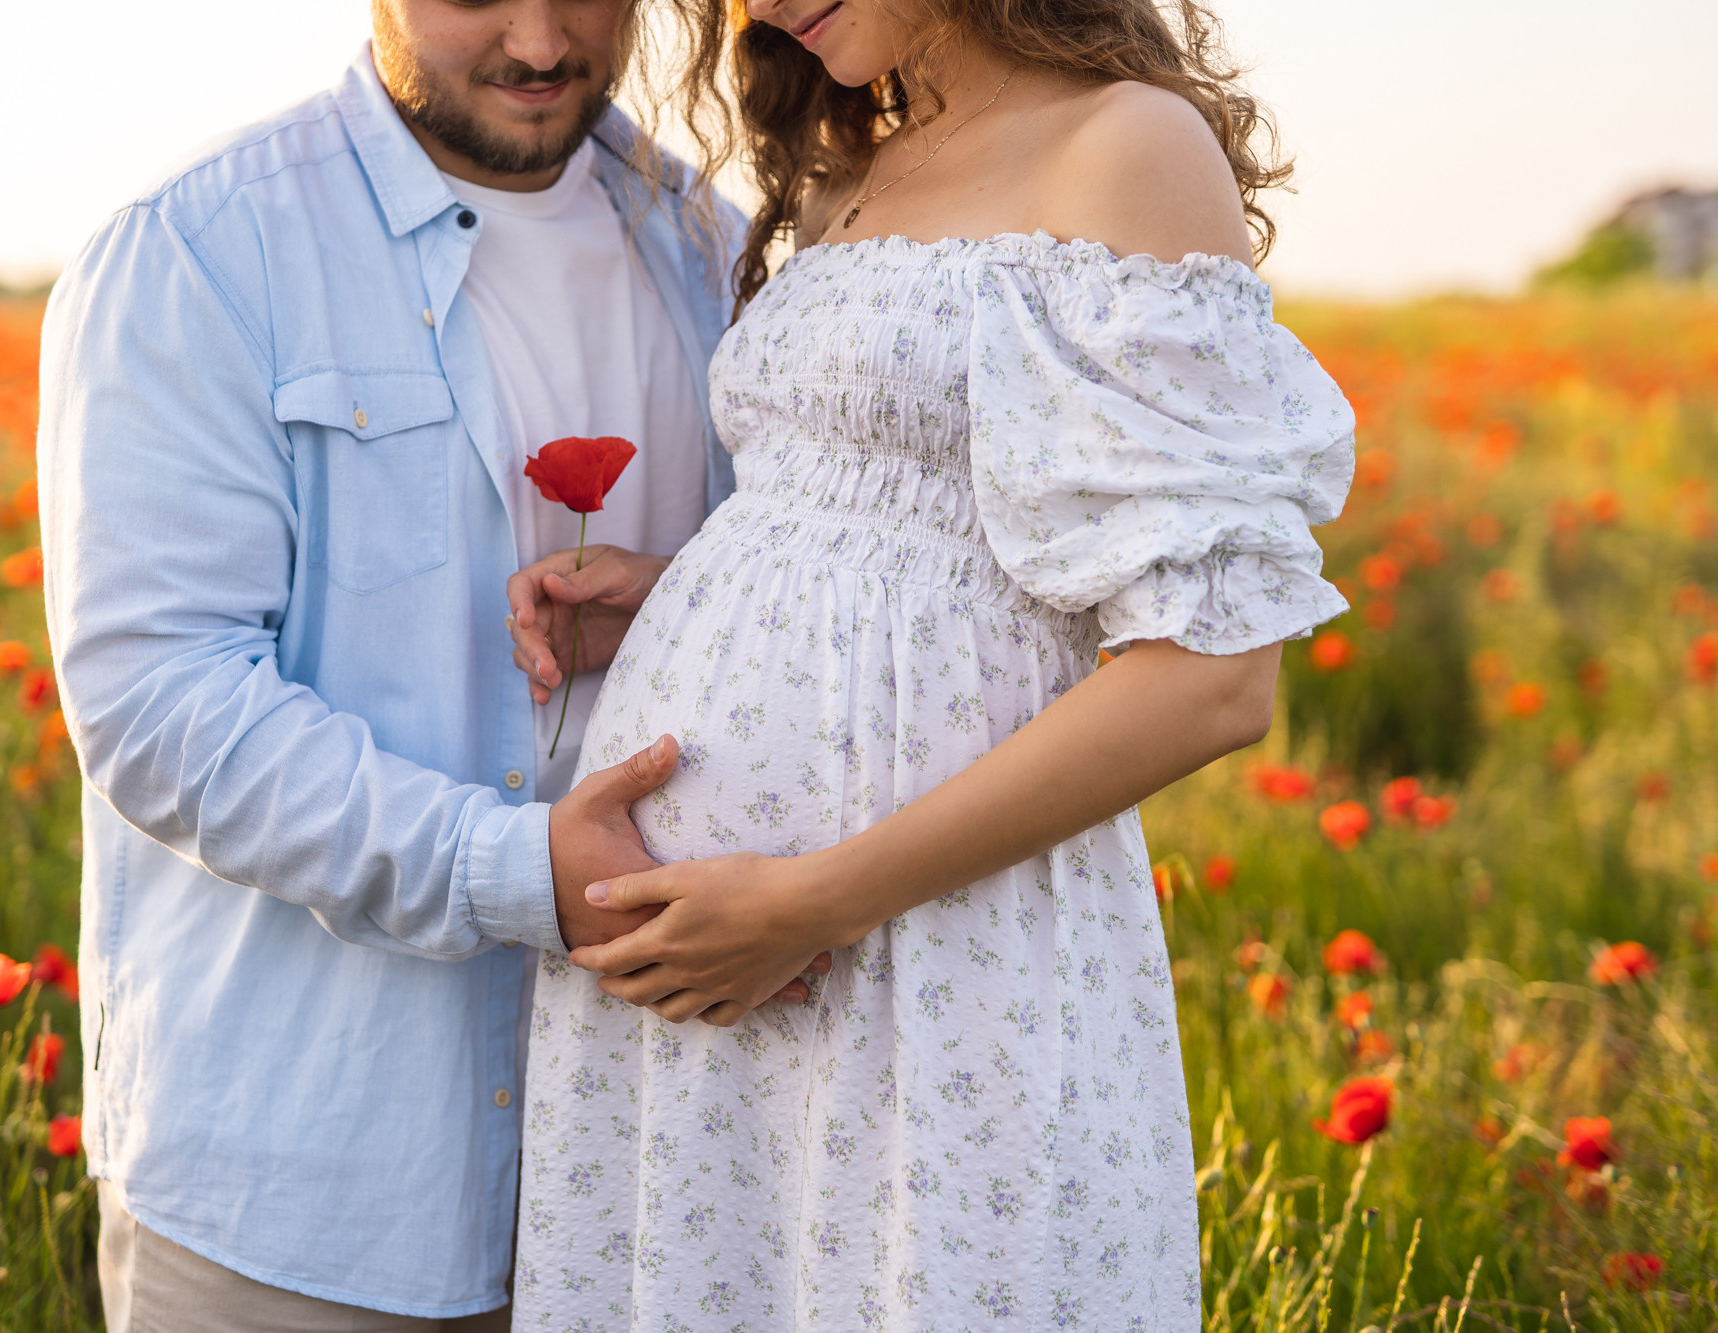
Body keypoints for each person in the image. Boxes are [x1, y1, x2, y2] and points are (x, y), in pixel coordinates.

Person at [502, 0, 1356, 1325]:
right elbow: (934, 554)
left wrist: (814, 901)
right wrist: (686, 596)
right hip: (716, 979)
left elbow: (1213, 675)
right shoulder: (858, 154)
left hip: (921, 954)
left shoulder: (1123, 144)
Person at [36, 0, 817, 1324]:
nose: (538, 42)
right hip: (307, 1185)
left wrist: (682, 604)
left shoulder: (714, 255)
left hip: (647, 1178)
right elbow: (161, 707)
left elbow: (792, 617)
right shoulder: (202, 252)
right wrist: (519, 873)